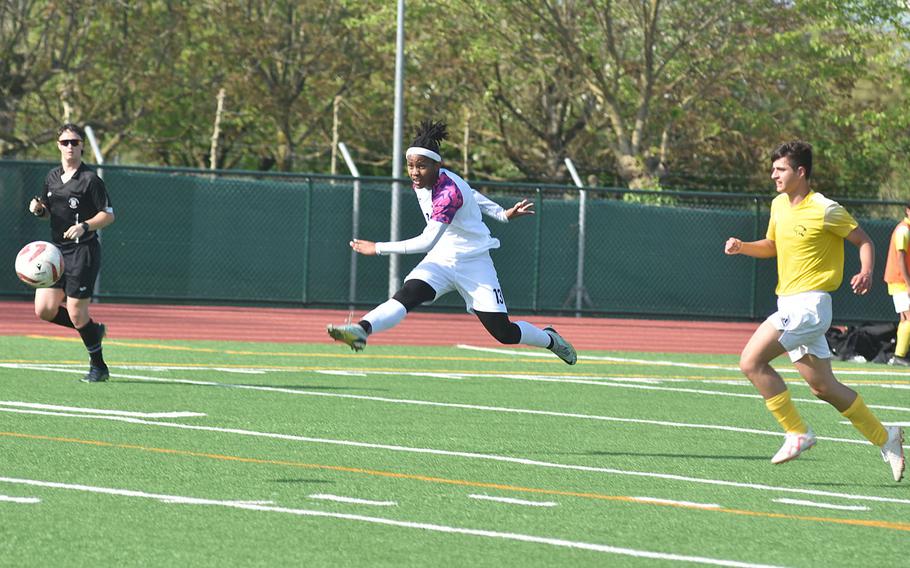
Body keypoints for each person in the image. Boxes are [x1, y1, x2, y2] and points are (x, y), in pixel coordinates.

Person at [327, 120, 577, 365]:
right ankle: (361, 330)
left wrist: (378, 248)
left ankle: (550, 339)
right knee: (406, 296)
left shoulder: (448, 192)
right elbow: (471, 193)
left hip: (474, 262)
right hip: (441, 259)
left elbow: (426, 241)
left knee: (505, 334)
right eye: (411, 165)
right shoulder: (424, 182)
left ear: (437, 165)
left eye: (421, 166)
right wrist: (501, 213)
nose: (414, 172)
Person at [724, 140, 904, 481]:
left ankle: (796, 431)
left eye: (781, 169)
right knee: (823, 387)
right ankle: (886, 437)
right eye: (774, 169)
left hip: (810, 306)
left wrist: (866, 271)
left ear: (800, 172)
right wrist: (743, 247)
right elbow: (773, 246)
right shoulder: (778, 205)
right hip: (789, 304)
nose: (773, 175)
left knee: (750, 361)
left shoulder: (825, 208)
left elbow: (863, 240)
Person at [27, 123, 115, 383]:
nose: (69, 146)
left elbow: (108, 215)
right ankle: (92, 329)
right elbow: (47, 211)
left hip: (82, 251)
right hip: (55, 254)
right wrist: (38, 209)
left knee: (76, 312)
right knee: (44, 309)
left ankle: (99, 367)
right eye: (65, 142)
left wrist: (84, 226)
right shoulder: (52, 177)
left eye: (74, 142)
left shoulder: (90, 180)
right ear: (58, 145)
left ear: (82, 146)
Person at [884, 203, 910, 366]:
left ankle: (899, 356)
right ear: (907, 210)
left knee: (904, 319)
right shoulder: (904, 230)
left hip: (900, 281)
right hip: (900, 281)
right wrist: (908, 283)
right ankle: (899, 356)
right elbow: (900, 257)